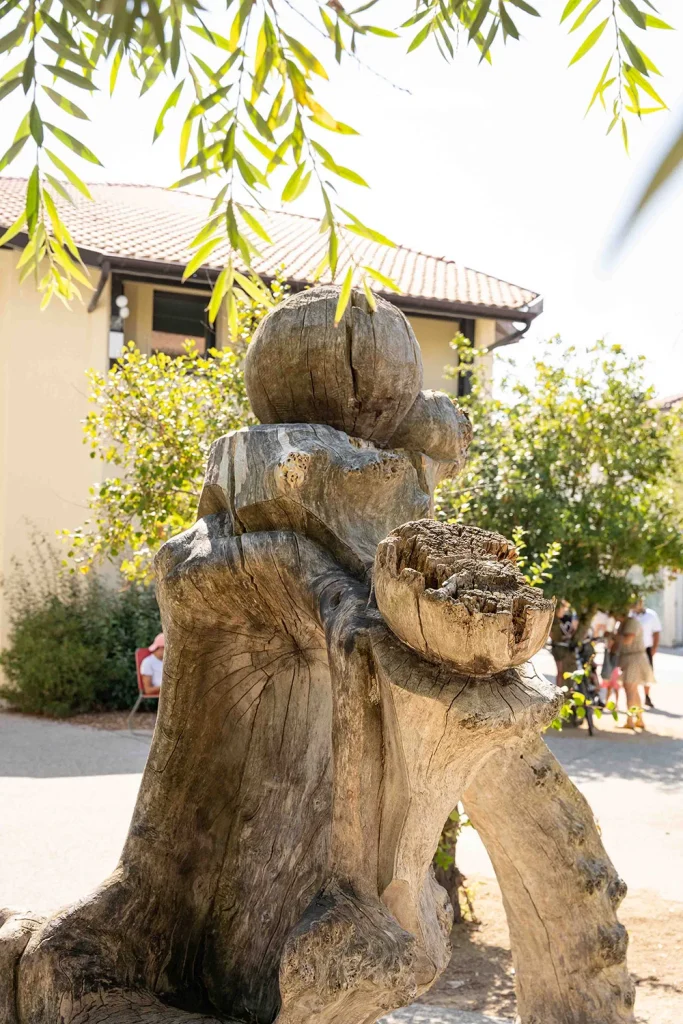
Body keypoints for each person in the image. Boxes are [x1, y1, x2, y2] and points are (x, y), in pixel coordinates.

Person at [613, 613, 654, 730]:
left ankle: (630, 720)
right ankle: (639, 719)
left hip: (634, 659)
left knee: (630, 689)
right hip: (629, 659)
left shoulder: (631, 623)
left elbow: (627, 640)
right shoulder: (624, 623)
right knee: (633, 690)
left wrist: (612, 636)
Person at [631, 598, 661, 708]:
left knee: (647, 673)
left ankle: (647, 696)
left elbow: (656, 631)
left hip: (646, 648)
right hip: (632, 649)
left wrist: (654, 647)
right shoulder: (630, 614)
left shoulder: (651, 615)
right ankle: (633, 697)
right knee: (632, 674)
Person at [550, 599, 575, 686]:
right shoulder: (554, 621)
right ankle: (559, 688)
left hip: (565, 648)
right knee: (560, 671)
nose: (564, 611)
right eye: (562, 609)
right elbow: (551, 634)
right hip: (557, 647)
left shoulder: (563, 620)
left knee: (565, 672)